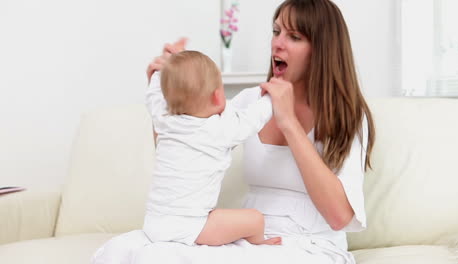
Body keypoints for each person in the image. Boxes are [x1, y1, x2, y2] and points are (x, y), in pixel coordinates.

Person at [93, 0, 375, 263]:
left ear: (321, 50)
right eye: (276, 31)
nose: (277, 43)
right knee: (123, 251)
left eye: (294, 37)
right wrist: (170, 99)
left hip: (312, 245)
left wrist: (289, 123)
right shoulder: (250, 102)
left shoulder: (347, 114)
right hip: (247, 239)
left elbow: (340, 218)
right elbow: (186, 147)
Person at [144, 49, 281, 247]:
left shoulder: (163, 119)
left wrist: (158, 75)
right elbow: (253, 119)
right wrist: (272, 98)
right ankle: (258, 247)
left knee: (220, 215)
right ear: (218, 97)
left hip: (153, 223)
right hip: (190, 227)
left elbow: (154, 96)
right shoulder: (220, 129)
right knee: (255, 219)